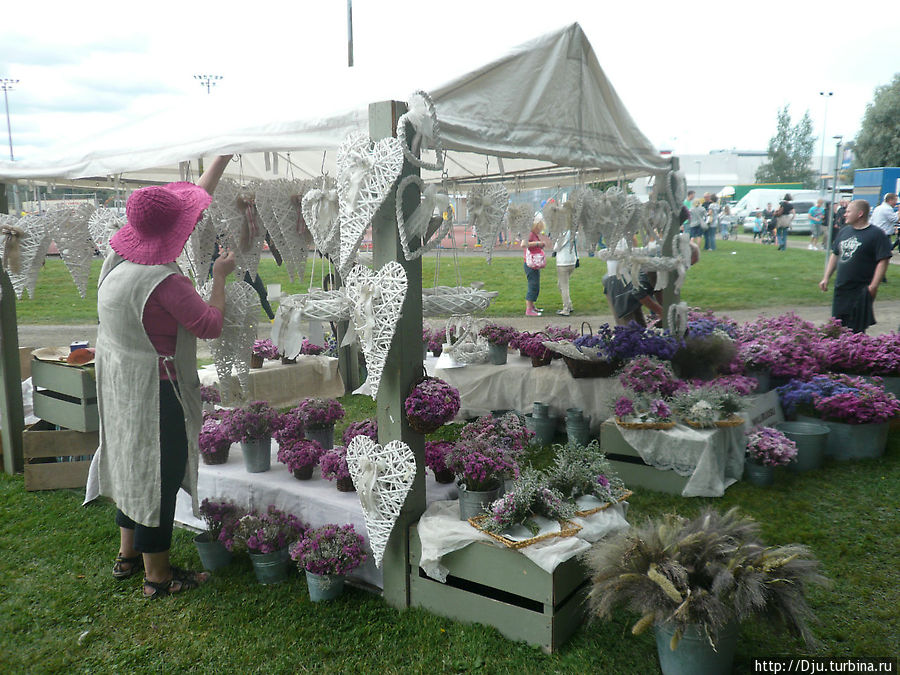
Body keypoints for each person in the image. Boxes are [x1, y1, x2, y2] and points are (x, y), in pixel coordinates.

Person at [86, 155, 237, 598]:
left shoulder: (116, 260)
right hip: (158, 392)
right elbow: (209, 325)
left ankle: (127, 554)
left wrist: (220, 160)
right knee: (159, 474)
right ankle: (158, 577)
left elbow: (193, 206)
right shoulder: (167, 284)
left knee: (132, 466)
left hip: (120, 385)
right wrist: (220, 278)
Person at [819, 199, 891, 333]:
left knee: (856, 332)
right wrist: (826, 277)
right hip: (841, 289)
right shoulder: (844, 232)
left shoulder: (876, 234)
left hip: (860, 290)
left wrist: (873, 286)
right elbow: (835, 255)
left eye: (848, 211)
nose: (844, 214)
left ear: (860, 213)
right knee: (837, 328)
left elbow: (883, 260)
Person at [523, 213, 546, 316]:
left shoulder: (535, 234)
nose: (540, 230)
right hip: (530, 264)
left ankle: (532, 307)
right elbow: (524, 244)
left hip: (535, 263)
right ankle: (528, 310)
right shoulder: (530, 234)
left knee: (536, 285)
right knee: (533, 285)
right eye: (539, 228)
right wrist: (538, 244)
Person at [553, 225, 578, 316]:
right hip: (571, 260)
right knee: (560, 285)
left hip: (563, 262)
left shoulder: (564, 233)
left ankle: (566, 308)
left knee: (563, 286)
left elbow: (557, 247)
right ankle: (569, 305)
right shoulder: (573, 232)